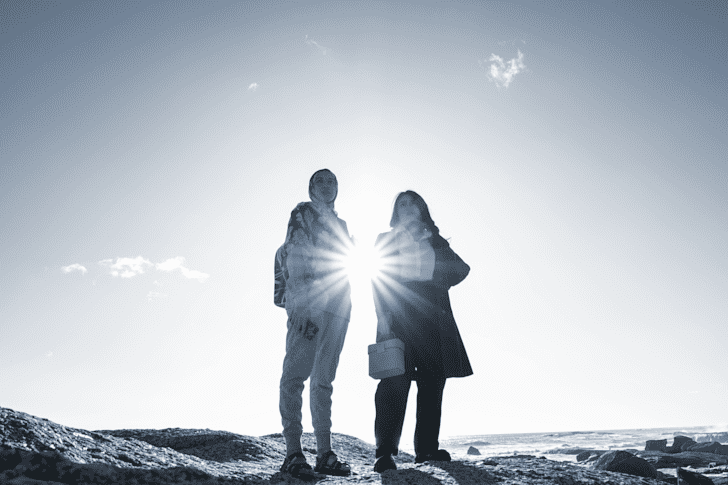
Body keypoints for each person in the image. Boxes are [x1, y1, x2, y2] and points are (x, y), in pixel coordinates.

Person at [371, 190, 473, 473]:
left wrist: (436, 280)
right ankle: (384, 452)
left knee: (432, 383)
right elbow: (377, 278)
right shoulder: (385, 240)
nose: (407, 207)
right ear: (396, 211)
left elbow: (462, 269)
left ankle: (426, 449)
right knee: (394, 382)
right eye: (401, 203)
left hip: (432, 314)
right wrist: (382, 316)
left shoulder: (436, 241)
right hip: (398, 313)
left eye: (412, 203)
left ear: (421, 209)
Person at [277, 169, 353, 479]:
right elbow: (295, 253)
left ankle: (325, 454)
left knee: (324, 380)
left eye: (332, 180)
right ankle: (293, 452)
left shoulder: (343, 225)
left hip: (338, 306)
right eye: (319, 180)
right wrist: (302, 303)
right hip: (308, 303)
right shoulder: (303, 212)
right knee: (295, 375)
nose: (327, 184)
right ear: (310, 188)